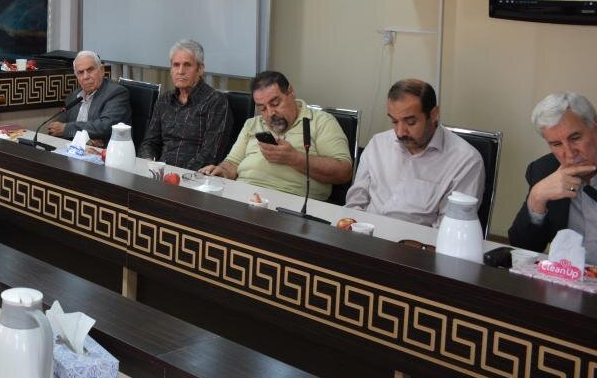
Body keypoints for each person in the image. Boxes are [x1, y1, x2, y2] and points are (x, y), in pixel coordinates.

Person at [345, 79, 484, 226]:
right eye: (394, 121)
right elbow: (355, 202)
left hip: (415, 239)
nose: (400, 132)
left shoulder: (465, 161)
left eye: (410, 122)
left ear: (434, 114)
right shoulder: (378, 144)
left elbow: (450, 228)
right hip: (365, 233)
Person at [202, 70, 352, 200]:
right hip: (243, 196)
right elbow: (232, 163)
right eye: (262, 108)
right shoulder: (252, 124)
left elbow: (344, 172)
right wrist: (222, 172)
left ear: (291, 92)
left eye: (275, 103)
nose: (270, 113)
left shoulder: (321, 121)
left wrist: (293, 158)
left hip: (292, 203)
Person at [509, 92, 597, 262]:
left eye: (575, 138)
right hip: (567, 275)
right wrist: (537, 198)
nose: (569, 153)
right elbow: (522, 247)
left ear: (595, 127)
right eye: (557, 144)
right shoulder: (544, 171)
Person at [137, 40, 233, 170]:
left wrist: (177, 174)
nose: (180, 71)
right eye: (176, 65)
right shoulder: (164, 100)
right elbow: (149, 142)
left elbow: (211, 154)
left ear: (200, 69)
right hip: (159, 173)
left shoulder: (216, 101)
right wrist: (149, 164)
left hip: (194, 177)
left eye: (187, 65)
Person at [46, 51, 130, 142]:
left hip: (107, 149)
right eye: (80, 72)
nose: (85, 76)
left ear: (102, 71)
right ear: (76, 76)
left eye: (90, 70)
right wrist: (83, 140)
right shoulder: (74, 96)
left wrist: (67, 129)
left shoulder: (116, 93)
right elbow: (57, 129)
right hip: (75, 148)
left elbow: (106, 126)